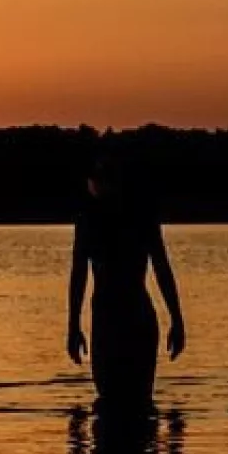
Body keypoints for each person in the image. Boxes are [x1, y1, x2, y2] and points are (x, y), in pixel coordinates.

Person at [67, 156, 185, 413]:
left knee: (130, 404)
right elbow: (78, 275)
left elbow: (162, 268)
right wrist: (73, 326)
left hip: (130, 319)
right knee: (118, 402)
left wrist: (177, 319)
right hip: (112, 320)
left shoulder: (136, 218)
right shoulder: (92, 220)